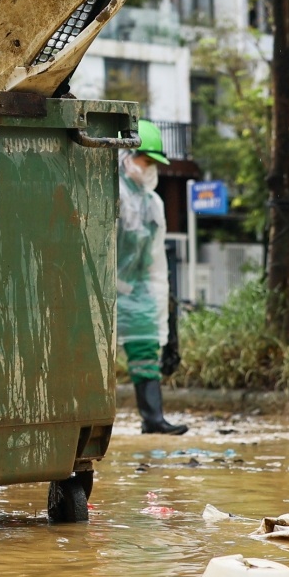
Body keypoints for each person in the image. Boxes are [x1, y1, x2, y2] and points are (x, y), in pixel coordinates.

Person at [118, 121, 187, 435]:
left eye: (152, 164)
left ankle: (153, 419)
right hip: (102, 288)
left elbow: (154, 258)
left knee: (145, 348)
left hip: (139, 290)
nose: (149, 170)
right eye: (146, 161)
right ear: (126, 157)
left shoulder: (152, 202)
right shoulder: (110, 191)